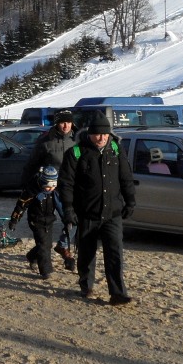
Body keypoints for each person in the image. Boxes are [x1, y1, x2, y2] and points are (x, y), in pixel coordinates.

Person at [59, 109, 136, 305]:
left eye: (104, 134)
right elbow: (66, 184)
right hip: (87, 214)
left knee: (115, 253)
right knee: (86, 253)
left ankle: (117, 293)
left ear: (109, 133)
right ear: (90, 133)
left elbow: (126, 178)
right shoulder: (76, 153)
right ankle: (87, 286)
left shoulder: (117, 150)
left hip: (112, 213)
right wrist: (68, 210)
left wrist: (130, 202)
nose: (100, 137)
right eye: (96, 133)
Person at [21, 108, 77, 271]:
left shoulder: (77, 140)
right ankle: (34, 255)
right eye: (62, 122)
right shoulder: (45, 141)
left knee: (73, 220)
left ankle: (63, 246)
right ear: (56, 123)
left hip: (68, 187)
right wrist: (27, 187)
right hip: (47, 189)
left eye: (68, 122)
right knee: (44, 229)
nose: (65, 126)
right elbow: (31, 164)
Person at [9, 166, 67, 281]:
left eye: (53, 186)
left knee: (47, 244)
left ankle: (31, 256)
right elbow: (21, 205)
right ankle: (46, 271)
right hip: (35, 220)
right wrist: (14, 220)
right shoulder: (31, 190)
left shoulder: (55, 192)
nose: (50, 188)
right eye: (48, 186)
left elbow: (61, 206)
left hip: (49, 220)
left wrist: (67, 219)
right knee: (44, 246)